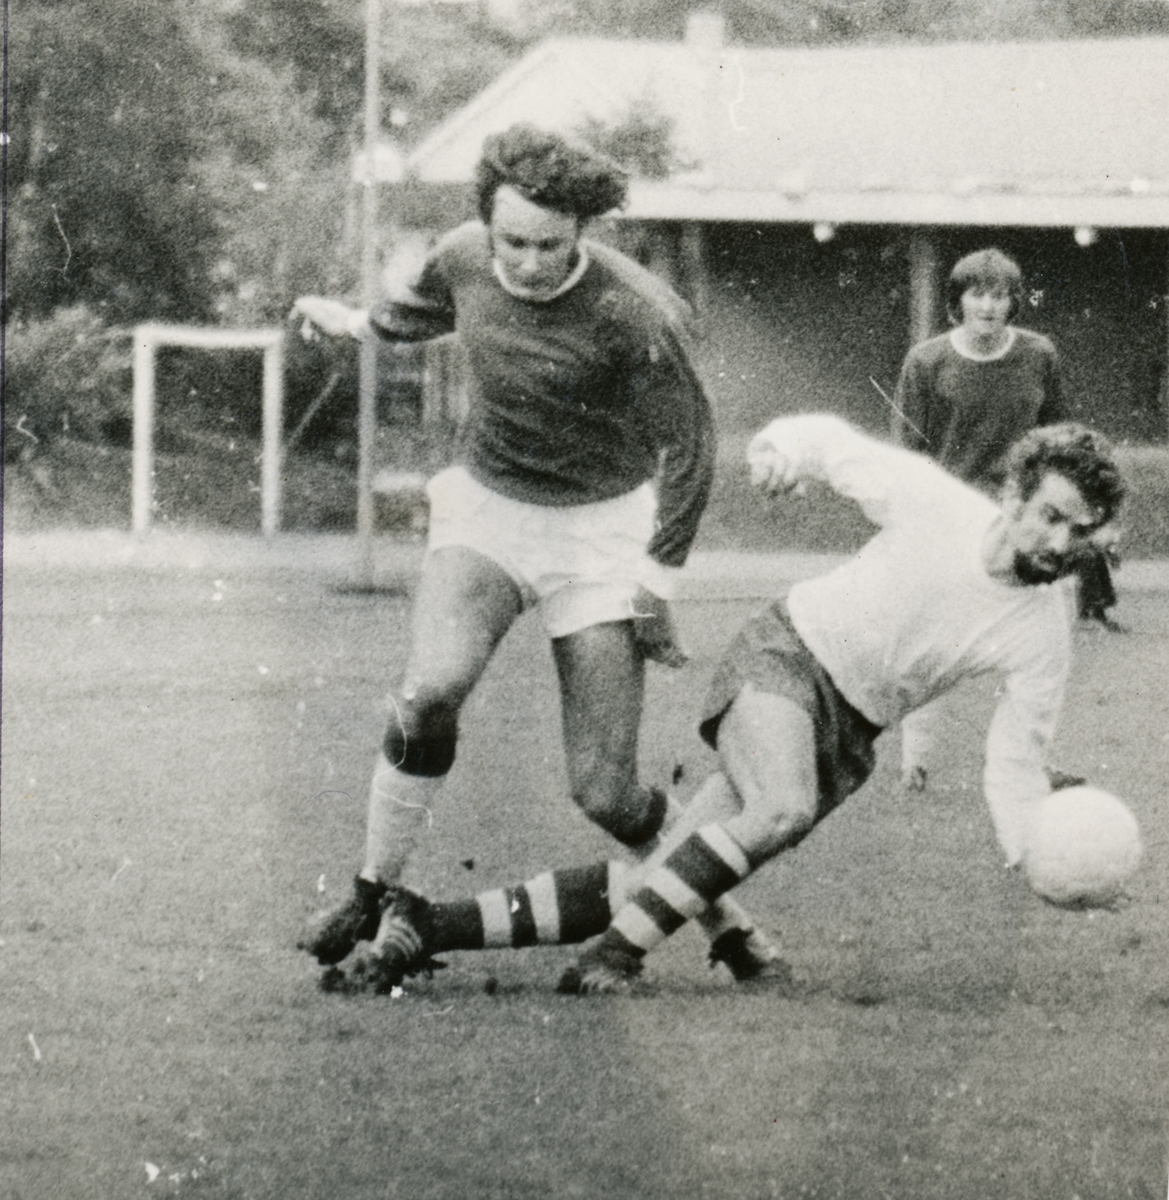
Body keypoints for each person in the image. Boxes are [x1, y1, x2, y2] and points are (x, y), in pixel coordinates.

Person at [350, 414, 1124, 995]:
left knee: (660, 877)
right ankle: (616, 957)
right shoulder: (934, 505)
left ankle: (427, 923)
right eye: (1050, 516)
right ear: (1014, 494)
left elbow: (1015, 763)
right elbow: (825, 441)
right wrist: (778, 454)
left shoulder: (1042, 634)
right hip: (785, 654)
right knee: (779, 809)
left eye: (1078, 532)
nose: (1059, 544)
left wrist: (1037, 855)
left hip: (848, 733)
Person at [292, 123, 776, 986]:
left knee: (604, 793)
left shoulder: (637, 313)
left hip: (599, 537)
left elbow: (693, 450)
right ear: (487, 225)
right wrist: (355, 320)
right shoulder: (463, 256)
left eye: (549, 246)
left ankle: (729, 923)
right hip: (488, 513)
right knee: (430, 689)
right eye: (511, 242)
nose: (526, 263)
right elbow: (420, 311)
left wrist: (656, 582)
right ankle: (372, 889)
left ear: (581, 233)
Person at [891, 247, 1122, 790]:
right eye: (978, 293)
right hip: (951, 518)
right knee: (936, 639)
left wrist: (1092, 514)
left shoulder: (1040, 355)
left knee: (1046, 639)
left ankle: (1030, 764)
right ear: (958, 301)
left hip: (1025, 516)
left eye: (1000, 295)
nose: (989, 306)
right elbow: (906, 452)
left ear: (1014, 302)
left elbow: (1062, 440)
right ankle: (915, 762)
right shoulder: (927, 362)